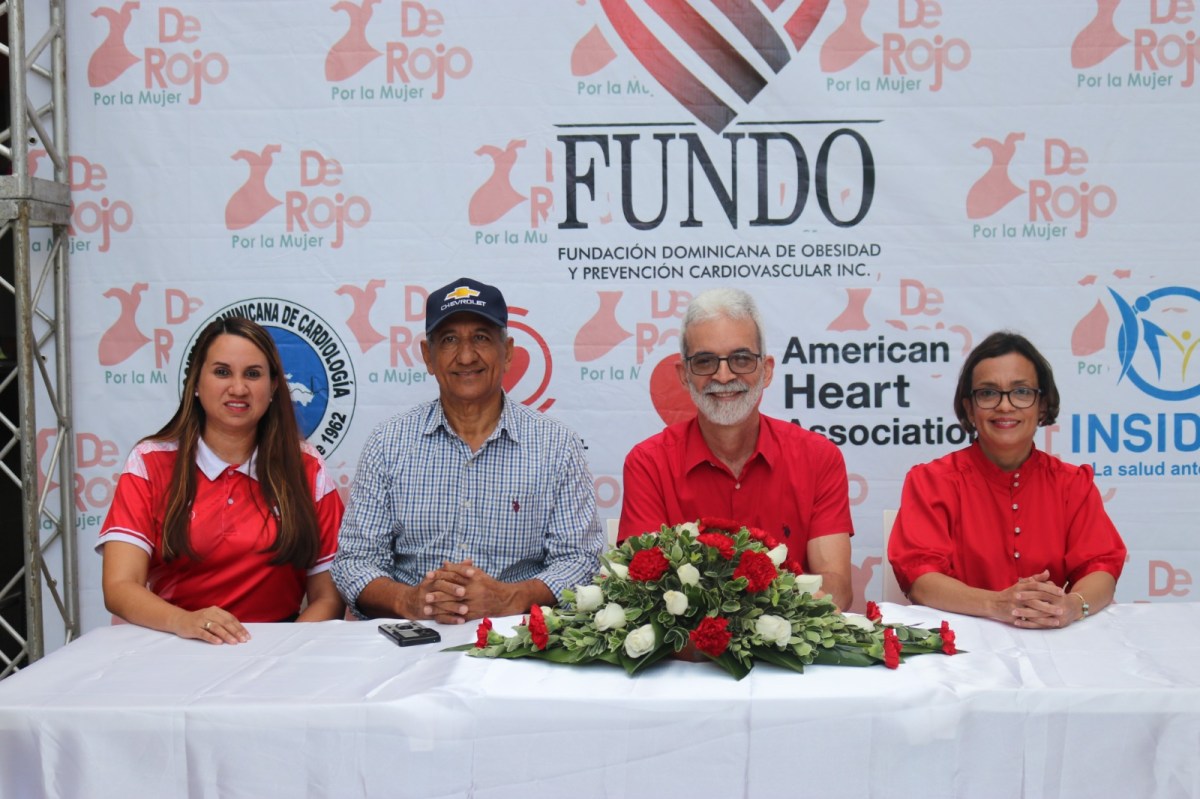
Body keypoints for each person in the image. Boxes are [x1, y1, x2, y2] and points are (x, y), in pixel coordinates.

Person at [331, 277, 603, 623]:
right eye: (449, 340)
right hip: (411, 637)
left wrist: (509, 599)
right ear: (427, 356)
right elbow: (354, 561)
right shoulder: (388, 443)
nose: (466, 356)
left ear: (508, 352)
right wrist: (410, 601)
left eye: (481, 338)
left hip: (519, 638)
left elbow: (581, 560)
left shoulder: (557, 445)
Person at [98, 317, 345, 644]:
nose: (238, 388)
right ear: (195, 383)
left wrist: (280, 650)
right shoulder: (149, 461)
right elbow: (119, 586)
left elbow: (329, 596)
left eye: (253, 374)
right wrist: (185, 622)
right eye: (222, 372)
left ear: (273, 387)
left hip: (281, 651)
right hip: (175, 644)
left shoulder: (307, 466)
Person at [619, 288, 855, 610]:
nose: (724, 375)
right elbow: (645, 589)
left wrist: (752, 618)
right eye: (705, 361)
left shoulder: (818, 458)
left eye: (741, 359)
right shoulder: (648, 464)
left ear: (766, 370)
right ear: (684, 375)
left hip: (788, 639)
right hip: (689, 644)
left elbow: (837, 589)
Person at [888, 331, 1126, 628]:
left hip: (1052, 638)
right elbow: (920, 580)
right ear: (969, 408)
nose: (1005, 406)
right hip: (959, 640)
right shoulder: (931, 482)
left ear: (1042, 405)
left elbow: (1100, 567)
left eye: (1021, 391)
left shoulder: (1072, 484)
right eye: (988, 393)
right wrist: (997, 604)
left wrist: (1073, 606)